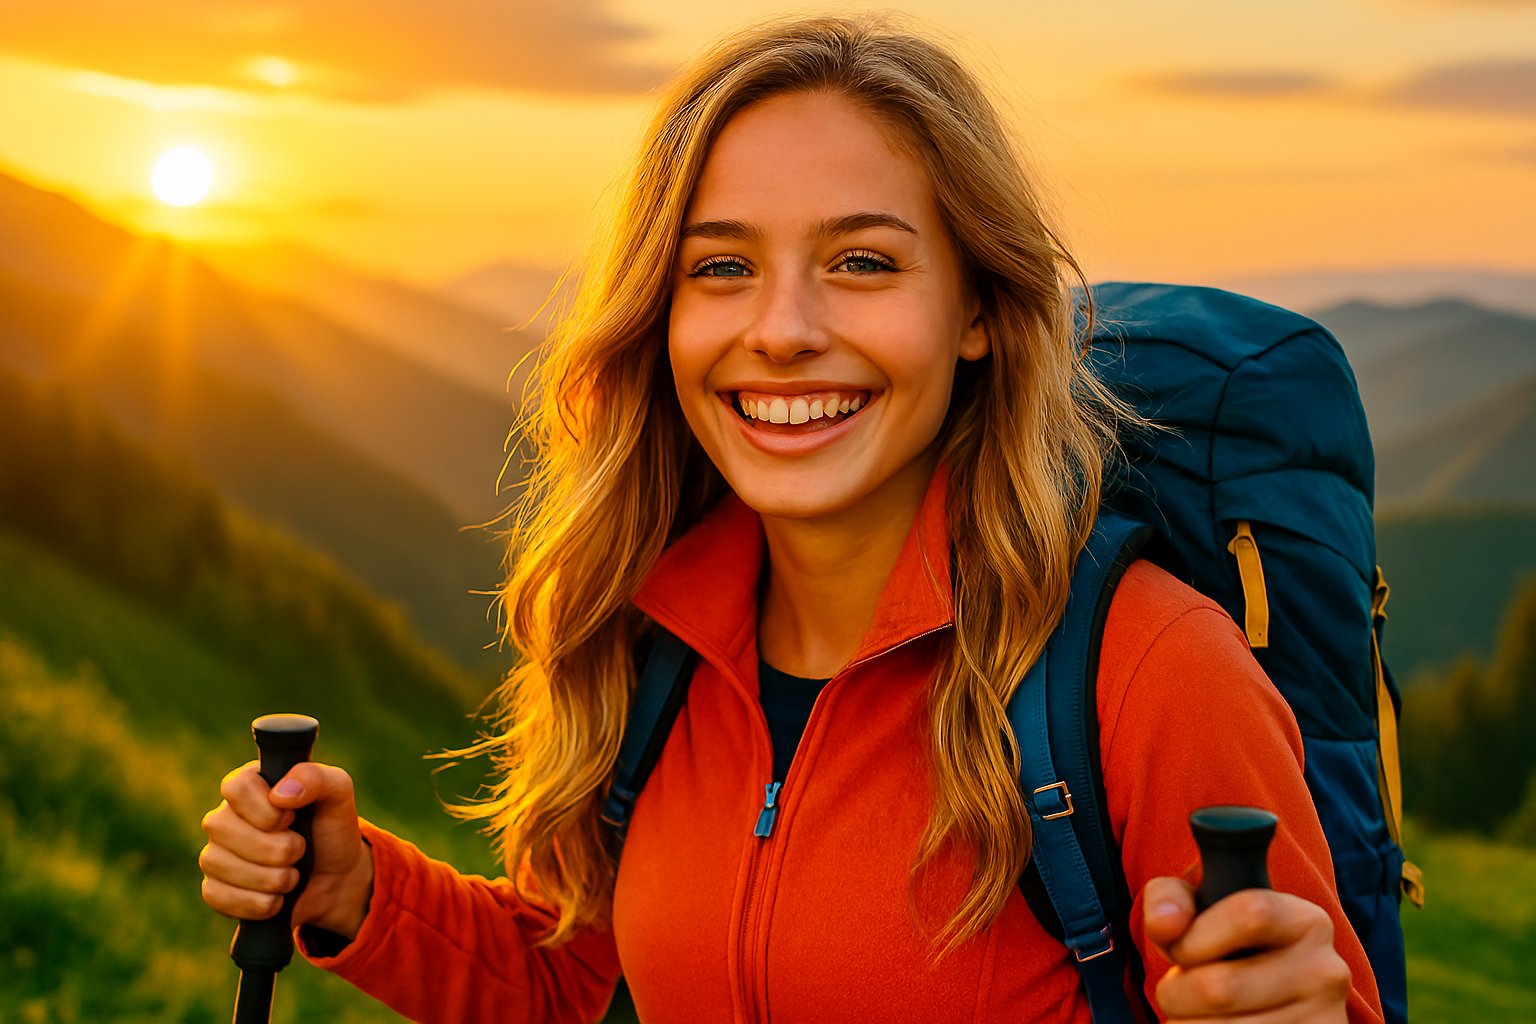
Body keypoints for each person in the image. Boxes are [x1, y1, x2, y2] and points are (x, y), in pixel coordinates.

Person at [199, 15, 1383, 1023]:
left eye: (862, 262)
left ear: (977, 310)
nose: (782, 331)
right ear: (659, 315)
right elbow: (571, 973)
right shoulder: (656, 641)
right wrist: (357, 892)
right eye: (721, 268)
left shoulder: (1149, 671)